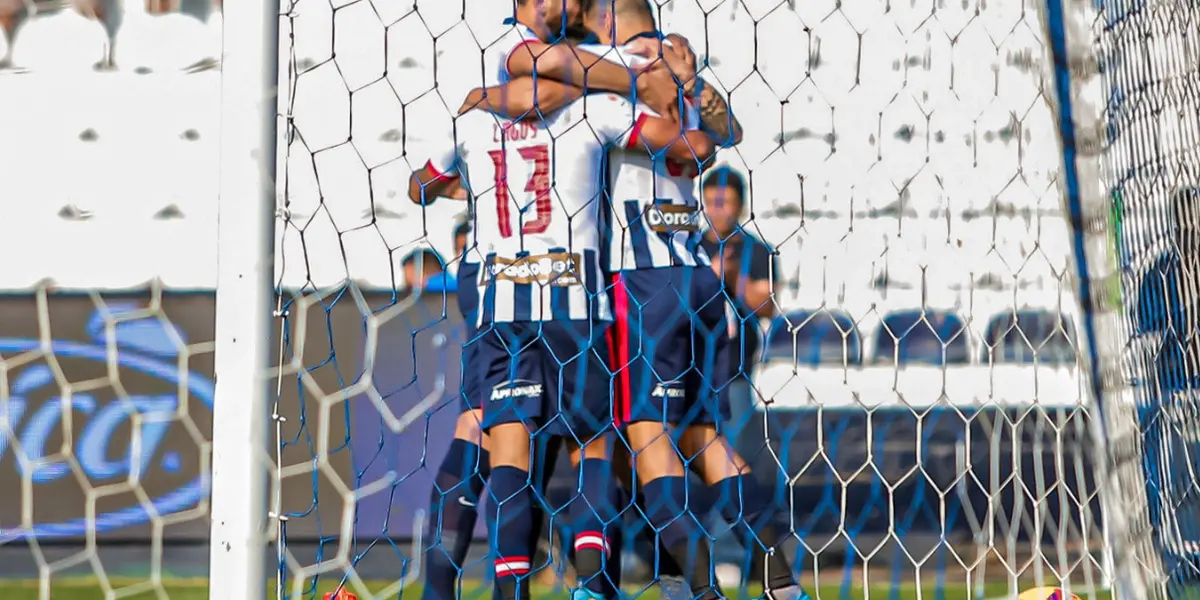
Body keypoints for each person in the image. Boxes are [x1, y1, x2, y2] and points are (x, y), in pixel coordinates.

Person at [411, 1, 685, 598]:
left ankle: (482, 588)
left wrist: (473, 183)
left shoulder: (473, 113)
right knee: (590, 439)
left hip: (498, 294)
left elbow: (421, 185)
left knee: (494, 435)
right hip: (574, 298)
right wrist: (661, 82)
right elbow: (679, 141)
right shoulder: (589, 106)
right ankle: (595, 577)